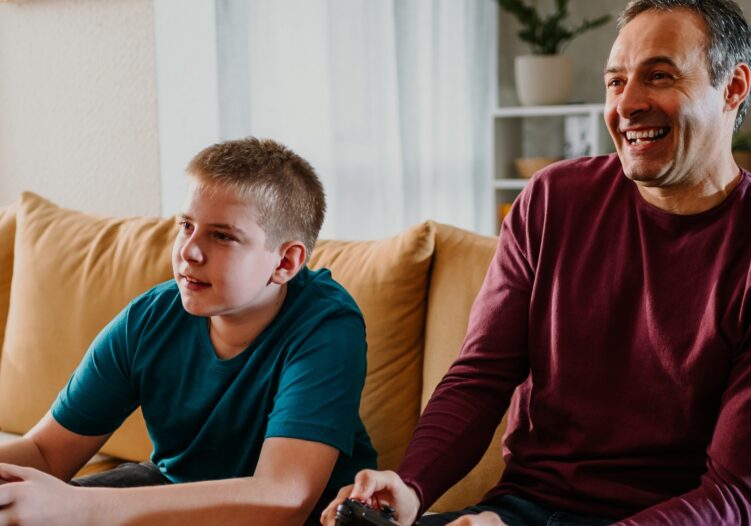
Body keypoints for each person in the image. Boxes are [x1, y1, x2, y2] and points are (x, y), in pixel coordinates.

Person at [322, 0, 751, 525]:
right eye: (615, 82)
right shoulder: (554, 199)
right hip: (521, 509)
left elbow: (734, 494)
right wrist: (410, 485)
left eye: (659, 76)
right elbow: (482, 375)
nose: (628, 104)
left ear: (733, 87)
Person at [0, 137, 376, 525]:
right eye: (186, 226)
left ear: (285, 261)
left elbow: (284, 497)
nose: (188, 252)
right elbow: (46, 453)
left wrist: (82, 508)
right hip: (175, 490)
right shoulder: (149, 319)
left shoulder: (326, 325)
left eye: (222, 236)